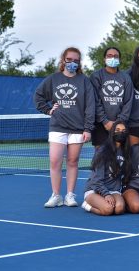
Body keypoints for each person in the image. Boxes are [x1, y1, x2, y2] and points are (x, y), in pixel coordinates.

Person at [34, 47, 95, 208]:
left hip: (77, 129)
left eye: (76, 60)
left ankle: (69, 195)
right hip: (57, 127)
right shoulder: (53, 79)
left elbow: (90, 106)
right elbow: (38, 96)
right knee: (55, 161)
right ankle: (56, 195)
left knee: (73, 161)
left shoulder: (84, 81)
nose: (72, 63)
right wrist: (48, 110)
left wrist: (88, 128)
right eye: (70, 60)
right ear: (63, 60)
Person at [81, 122, 128, 215]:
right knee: (108, 209)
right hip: (95, 189)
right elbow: (96, 179)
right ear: (112, 132)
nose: (120, 133)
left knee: (119, 209)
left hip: (113, 190)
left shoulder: (126, 151)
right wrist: (106, 194)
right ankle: (87, 205)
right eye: (117, 130)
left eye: (123, 131)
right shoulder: (103, 150)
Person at [90, 47, 133, 148]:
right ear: (104, 59)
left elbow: (128, 101)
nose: (112, 58)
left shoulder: (126, 78)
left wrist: (118, 123)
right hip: (100, 124)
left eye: (116, 56)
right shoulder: (96, 76)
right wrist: (105, 121)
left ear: (119, 59)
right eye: (109, 56)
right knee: (100, 156)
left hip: (120, 126)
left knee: (119, 154)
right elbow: (95, 101)